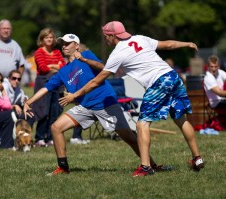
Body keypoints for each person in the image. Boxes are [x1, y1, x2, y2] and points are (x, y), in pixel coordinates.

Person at [60, 21, 204, 176]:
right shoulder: (140, 38)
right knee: (180, 119)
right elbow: (168, 45)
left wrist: (75, 95)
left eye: (105, 37)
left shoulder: (118, 53)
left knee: (142, 125)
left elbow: (97, 81)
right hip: (173, 77)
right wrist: (187, 43)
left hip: (158, 82)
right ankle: (197, 158)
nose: (105, 40)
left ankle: (145, 167)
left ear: (112, 35)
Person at [24, 33, 168, 176]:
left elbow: (104, 67)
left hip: (106, 103)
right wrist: (29, 102)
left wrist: (85, 59)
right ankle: (63, 167)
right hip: (85, 107)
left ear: (77, 46)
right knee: (56, 127)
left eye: (67, 43)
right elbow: (46, 88)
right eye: (62, 44)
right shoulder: (63, 71)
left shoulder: (87, 54)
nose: (64, 46)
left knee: (129, 137)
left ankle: (151, 165)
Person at [32, 28, 66, 147]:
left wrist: (52, 66)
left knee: (54, 111)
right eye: (47, 37)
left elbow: (63, 66)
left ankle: (51, 137)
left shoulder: (57, 51)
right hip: (43, 83)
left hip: (57, 84)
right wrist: (55, 66)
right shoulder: (39, 52)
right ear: (42, 39)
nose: (49, 39)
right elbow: (42, 68)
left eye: (51, 37)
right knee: (43, 111)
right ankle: (39, 138)